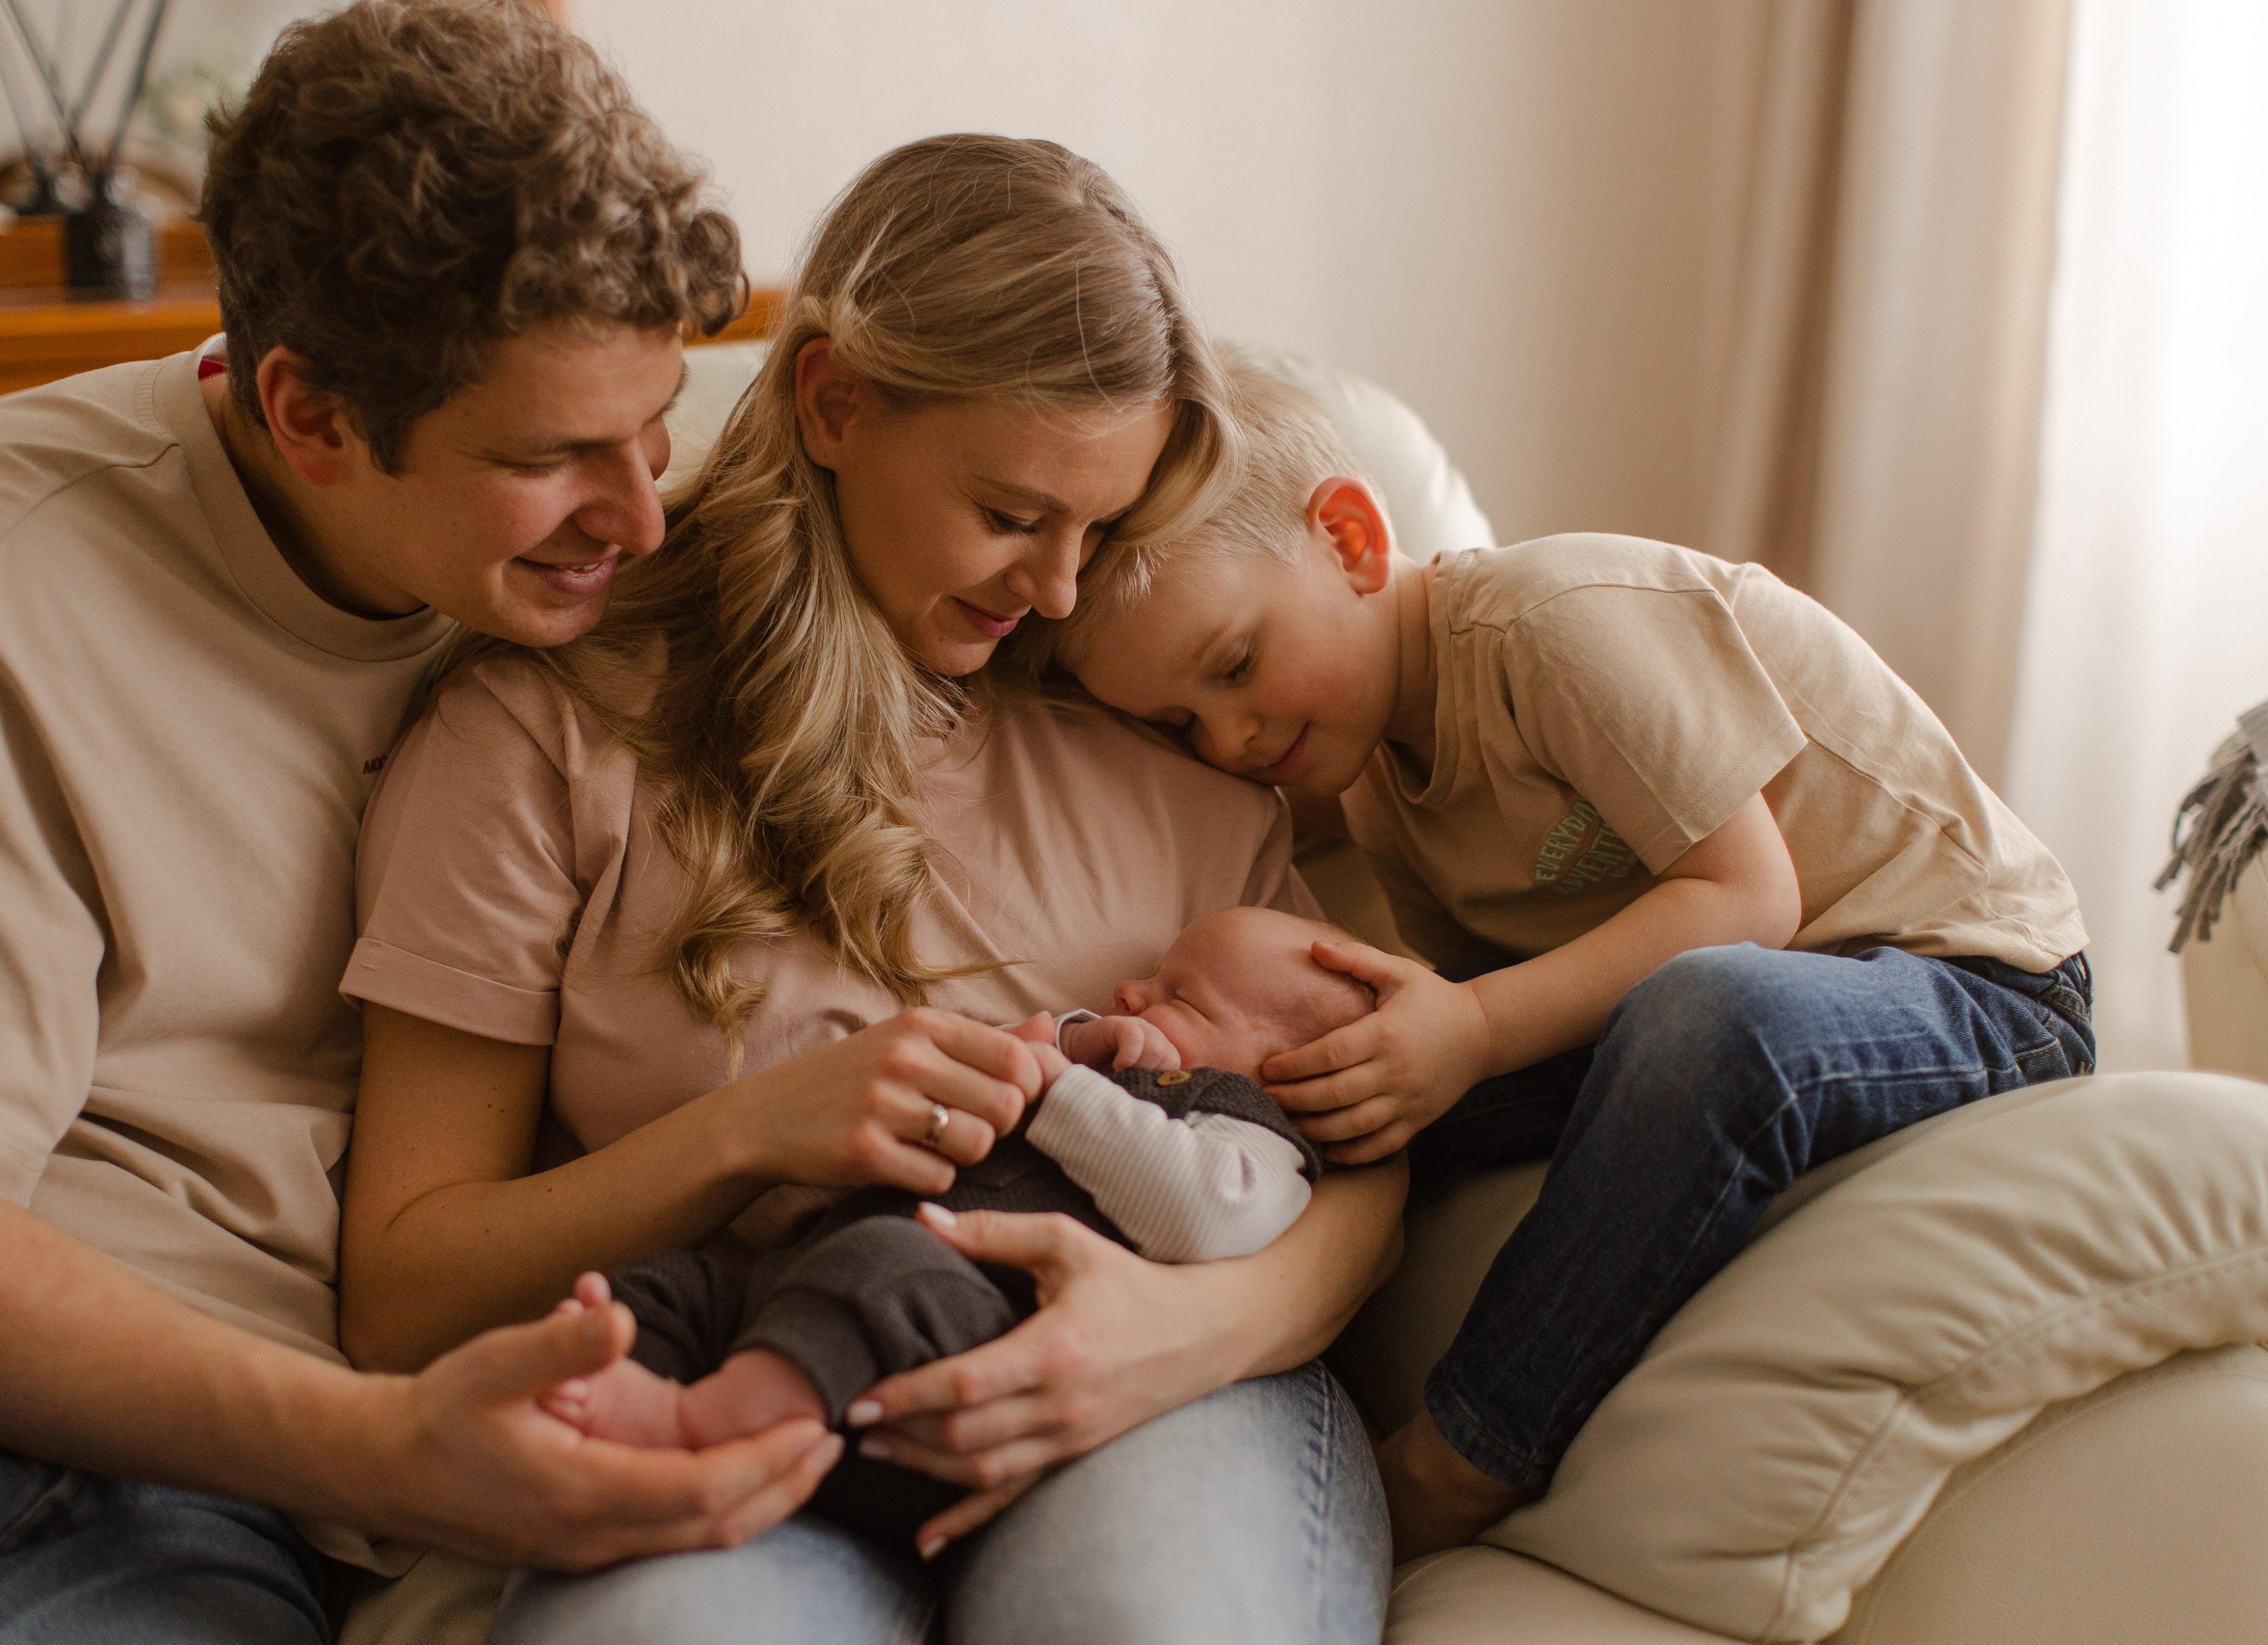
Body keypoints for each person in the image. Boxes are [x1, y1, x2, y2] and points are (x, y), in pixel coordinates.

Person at [0, 7, 847, 1641]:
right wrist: (382, 1451)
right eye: (557, 457)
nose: (642, 514)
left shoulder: (638, 572)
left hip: (201, 1492)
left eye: (652, 430)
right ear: (308, 415)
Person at [338, 138, 1401, 1645]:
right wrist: (743, 1133)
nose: (1060, 590)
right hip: (748, 1381)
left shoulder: (1169, 720)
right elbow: (398, 1290)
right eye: (1015, 511)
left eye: (1102, 527)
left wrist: (1184, 1331)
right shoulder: (549, 734)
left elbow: (1363, 1145)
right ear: (835, 403)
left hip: (1165, 1396)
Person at [1047, 360, 2096, 1556]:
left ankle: (1462, 1456)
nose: (1229, 739)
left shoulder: (1554, 623)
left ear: (1346, 536)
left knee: (1708, 1015)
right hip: (1710, 1005)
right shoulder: (1374, 774)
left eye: (1234, 666)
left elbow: (1750, 898)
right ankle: (1159, 1298)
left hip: (1967, 974)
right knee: (1343, 1071)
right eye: (1181, 725)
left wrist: (1476, 1026)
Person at [537, 906, 1371, 1551]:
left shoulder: (1251, 1136)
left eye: (1178, 995)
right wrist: (1064, 1043)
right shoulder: (1105, 1064)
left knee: (878, 1265)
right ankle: (607, 1389)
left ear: (1285, 1074)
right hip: (803, 1296)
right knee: (673, 1284)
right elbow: (997, 1072)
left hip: (949, 1355)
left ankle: (704, 1428)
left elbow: (1210, 1214)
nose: (1132, 992)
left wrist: (1059, 1090)